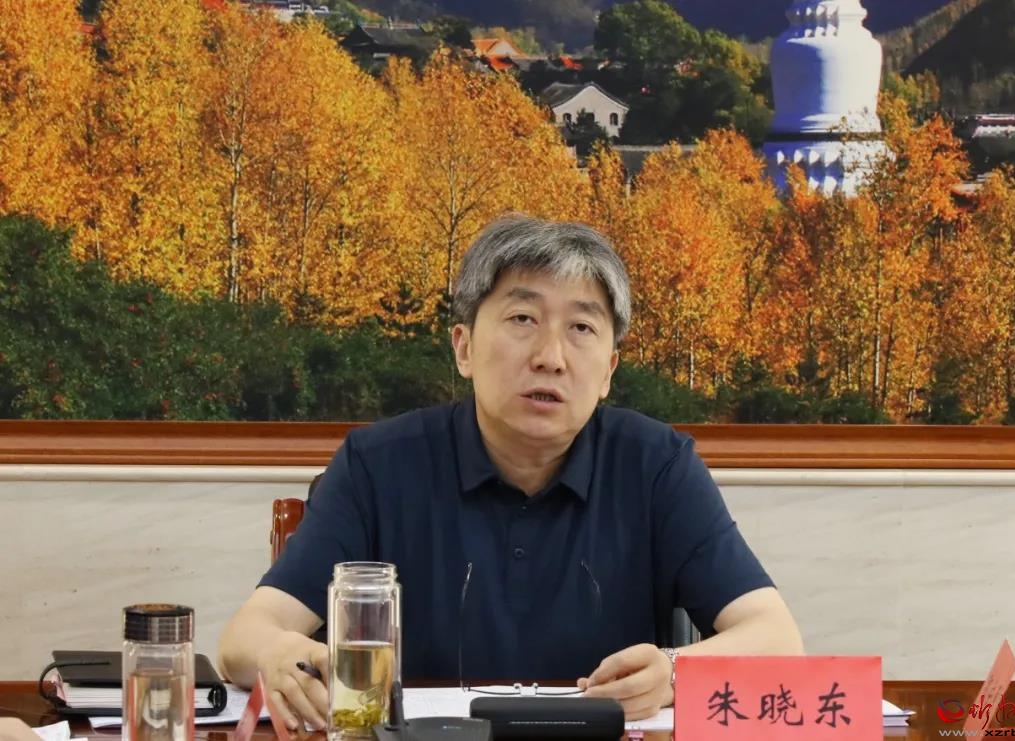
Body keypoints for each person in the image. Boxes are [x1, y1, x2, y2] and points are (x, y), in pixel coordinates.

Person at [218, 214, 802, 730]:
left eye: (581, 328)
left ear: (608, 371)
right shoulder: (378, 465)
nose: (551, 356)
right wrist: (282, 656)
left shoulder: (657, 466)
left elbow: (777, 638)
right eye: (523, 318)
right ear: (464, 347)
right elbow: (245, 637)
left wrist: (673, 671)